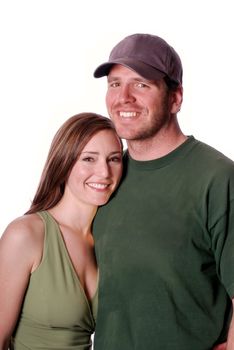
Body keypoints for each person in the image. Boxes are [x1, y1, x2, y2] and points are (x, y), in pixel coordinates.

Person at [92, 33, 234, 350]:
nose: (123, 97)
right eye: (114, 84)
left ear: (175, 98)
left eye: (141, 84)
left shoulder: (217, 178)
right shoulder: (104, 177)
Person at [0, 112, 123, 350]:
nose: (104, 172)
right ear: (64, 162)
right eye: (89, 159)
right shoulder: (26, 235)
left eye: (114, 159)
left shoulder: (107, 241)